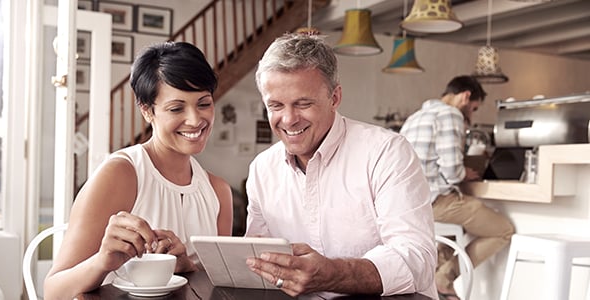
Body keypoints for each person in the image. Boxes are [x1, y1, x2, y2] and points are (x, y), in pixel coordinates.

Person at [243, 33, 438, 299]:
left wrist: (332, 274)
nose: (288, 119)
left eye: (303, 103)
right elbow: (258, 259)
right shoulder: (261, 169)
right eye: (275, 105)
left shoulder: (386, 152)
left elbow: (417, 260)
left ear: (335, 98)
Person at [44, 41, 233, 299]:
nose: (195, 119)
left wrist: (186, 266)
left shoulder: (218, 191)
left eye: (204, 103)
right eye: (176, 108)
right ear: (147, 111)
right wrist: (102, 261)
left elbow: (219, 289)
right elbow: (53, 291)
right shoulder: (121, 174)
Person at [400, 75, 515, 300]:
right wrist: (465, 173)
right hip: (434, 200)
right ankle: (445, 278)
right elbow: (452, 170)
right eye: (473, 108)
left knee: (456, 230)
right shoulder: (450, 114)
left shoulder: (416, 116)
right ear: (465, 96)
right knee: (503, 230)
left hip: (410, 203)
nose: (471, 115)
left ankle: (433, 280)